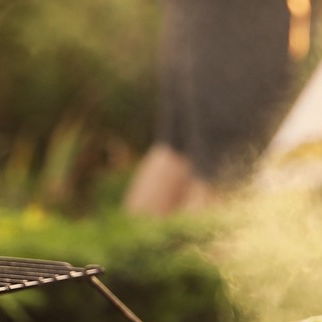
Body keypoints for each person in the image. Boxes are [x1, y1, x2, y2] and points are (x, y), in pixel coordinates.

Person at [123, 0, 306, 215]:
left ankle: (128, 246)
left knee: (176, 149)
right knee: (226, 174)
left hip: (200, 20)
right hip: (239, 27)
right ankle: (190, 246)